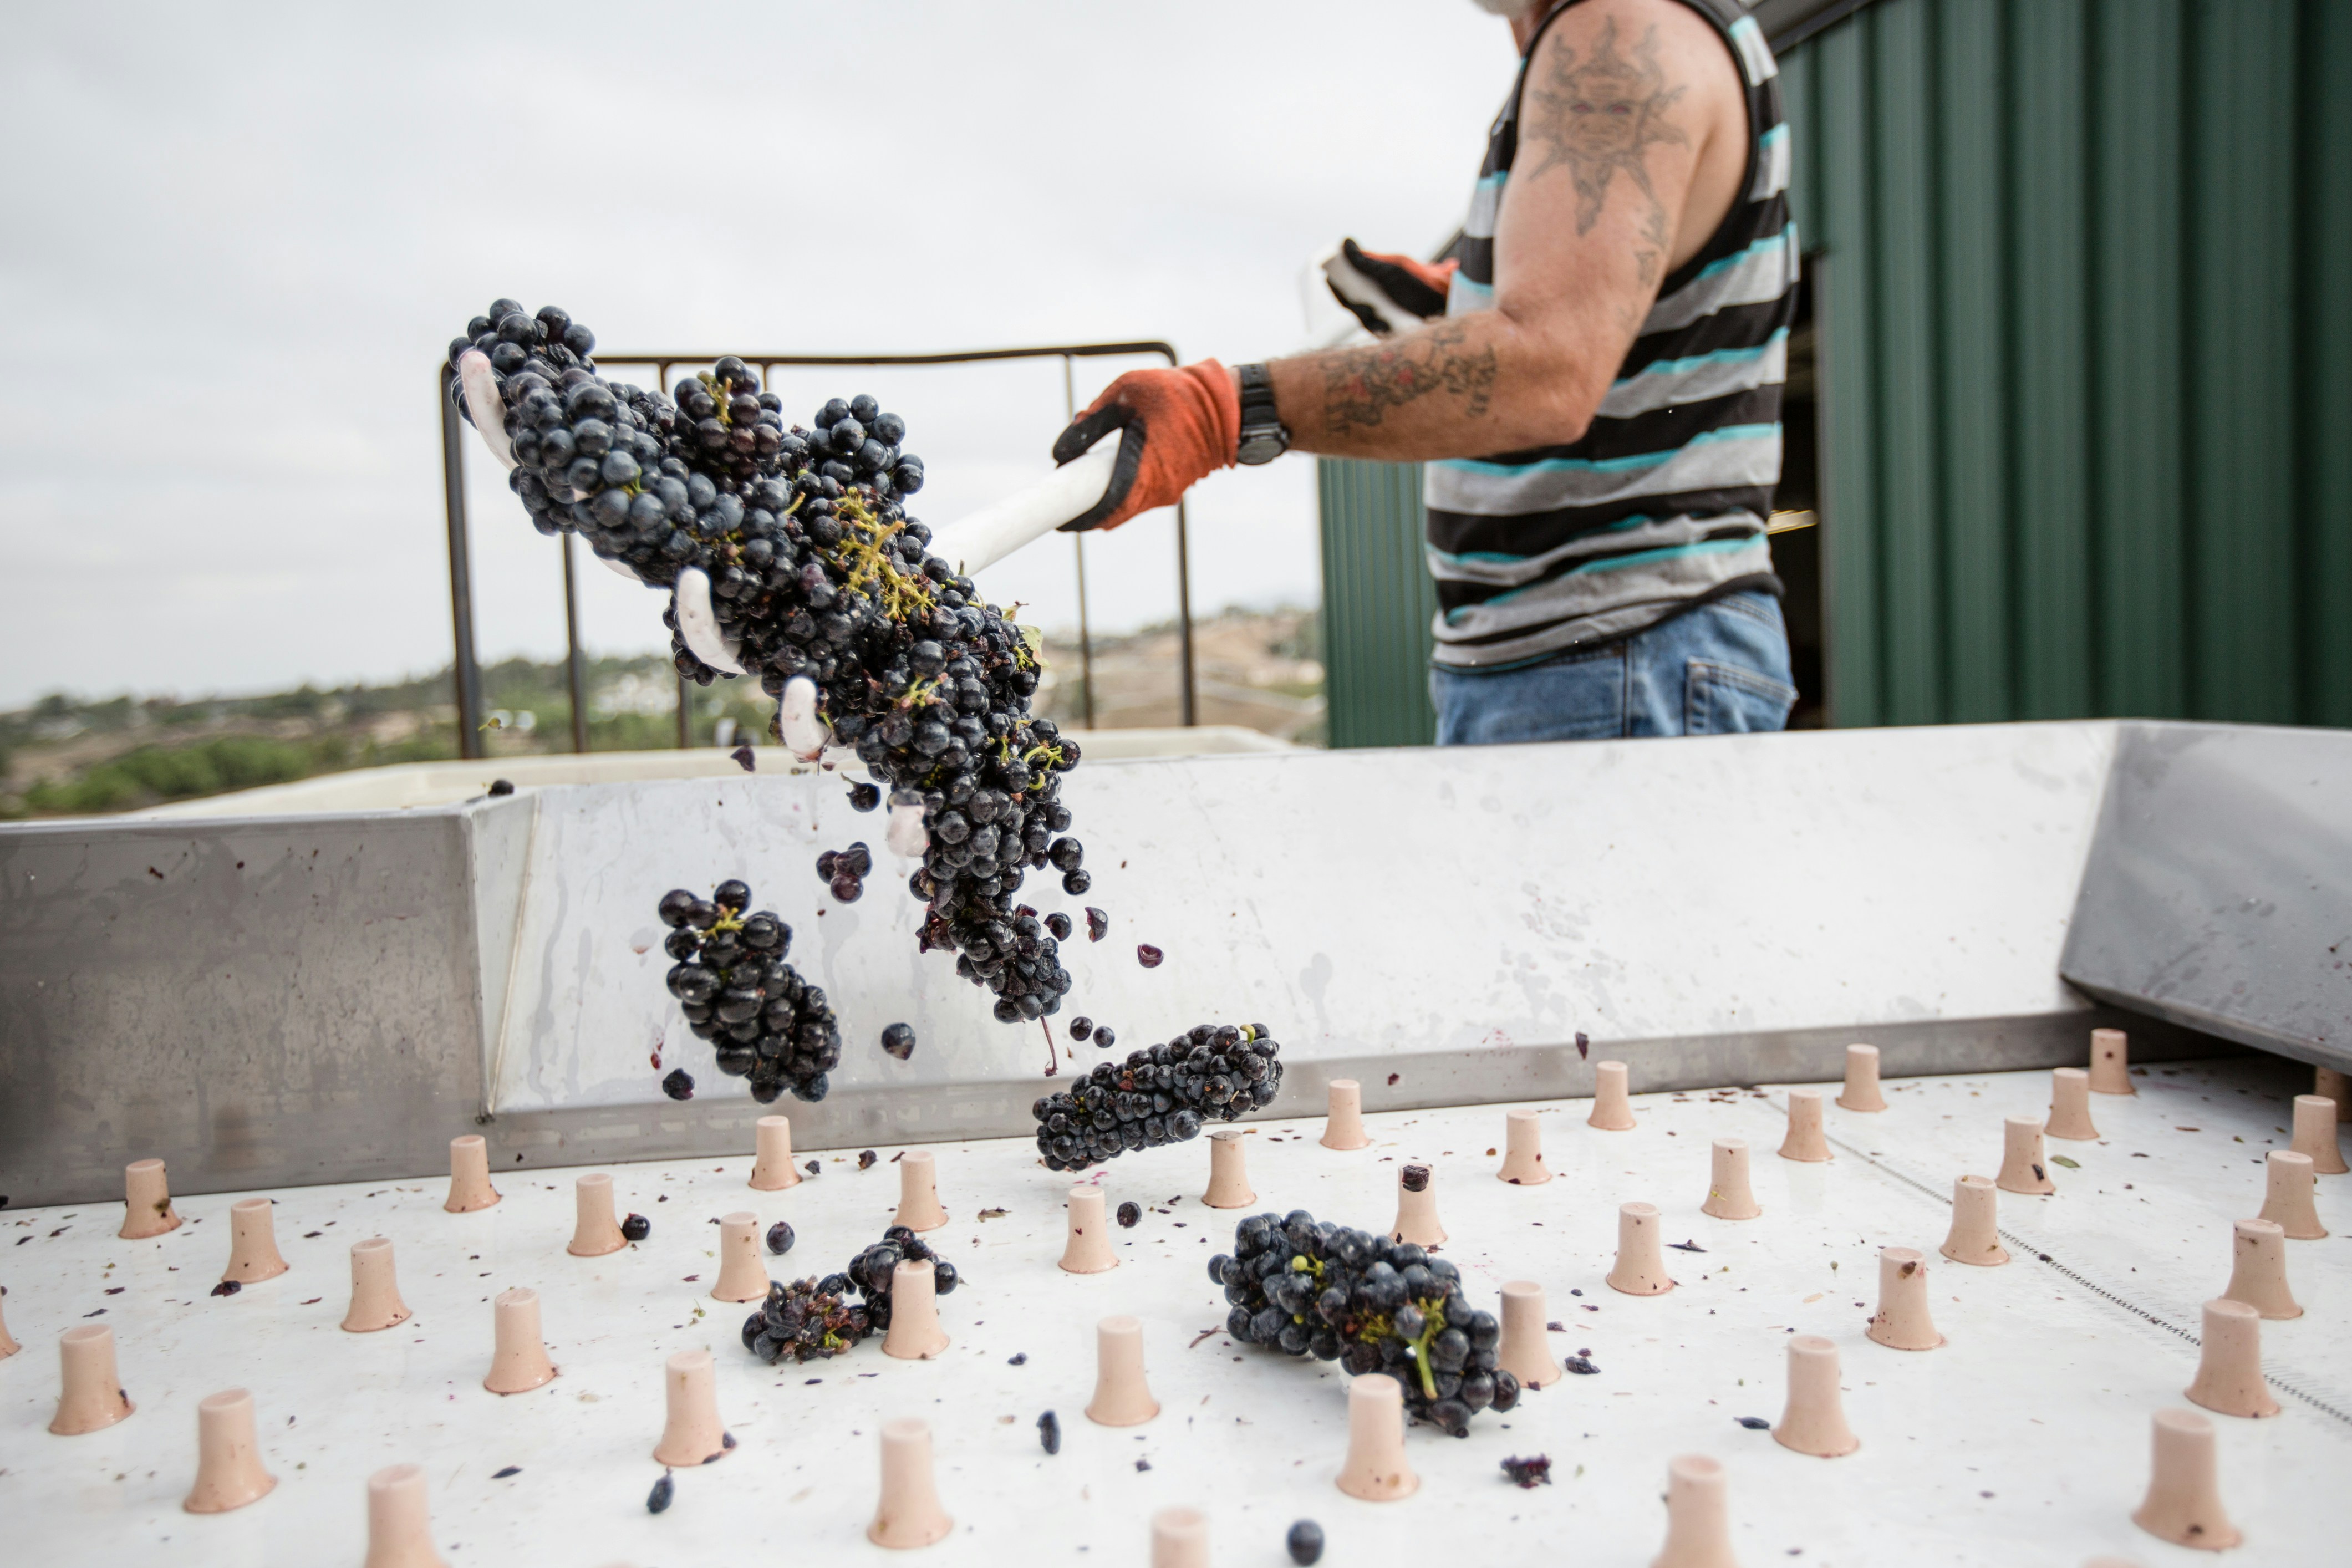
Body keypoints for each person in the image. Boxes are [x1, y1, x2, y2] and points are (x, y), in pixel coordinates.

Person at [1050, 0, 1798, 744]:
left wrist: (1225, 410)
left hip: (1616, 652)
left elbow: (1548, 369)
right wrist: (1465, 301)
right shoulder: (1621, 35)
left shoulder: (1617, 35)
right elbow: (1614, 323)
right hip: (1592, 660)